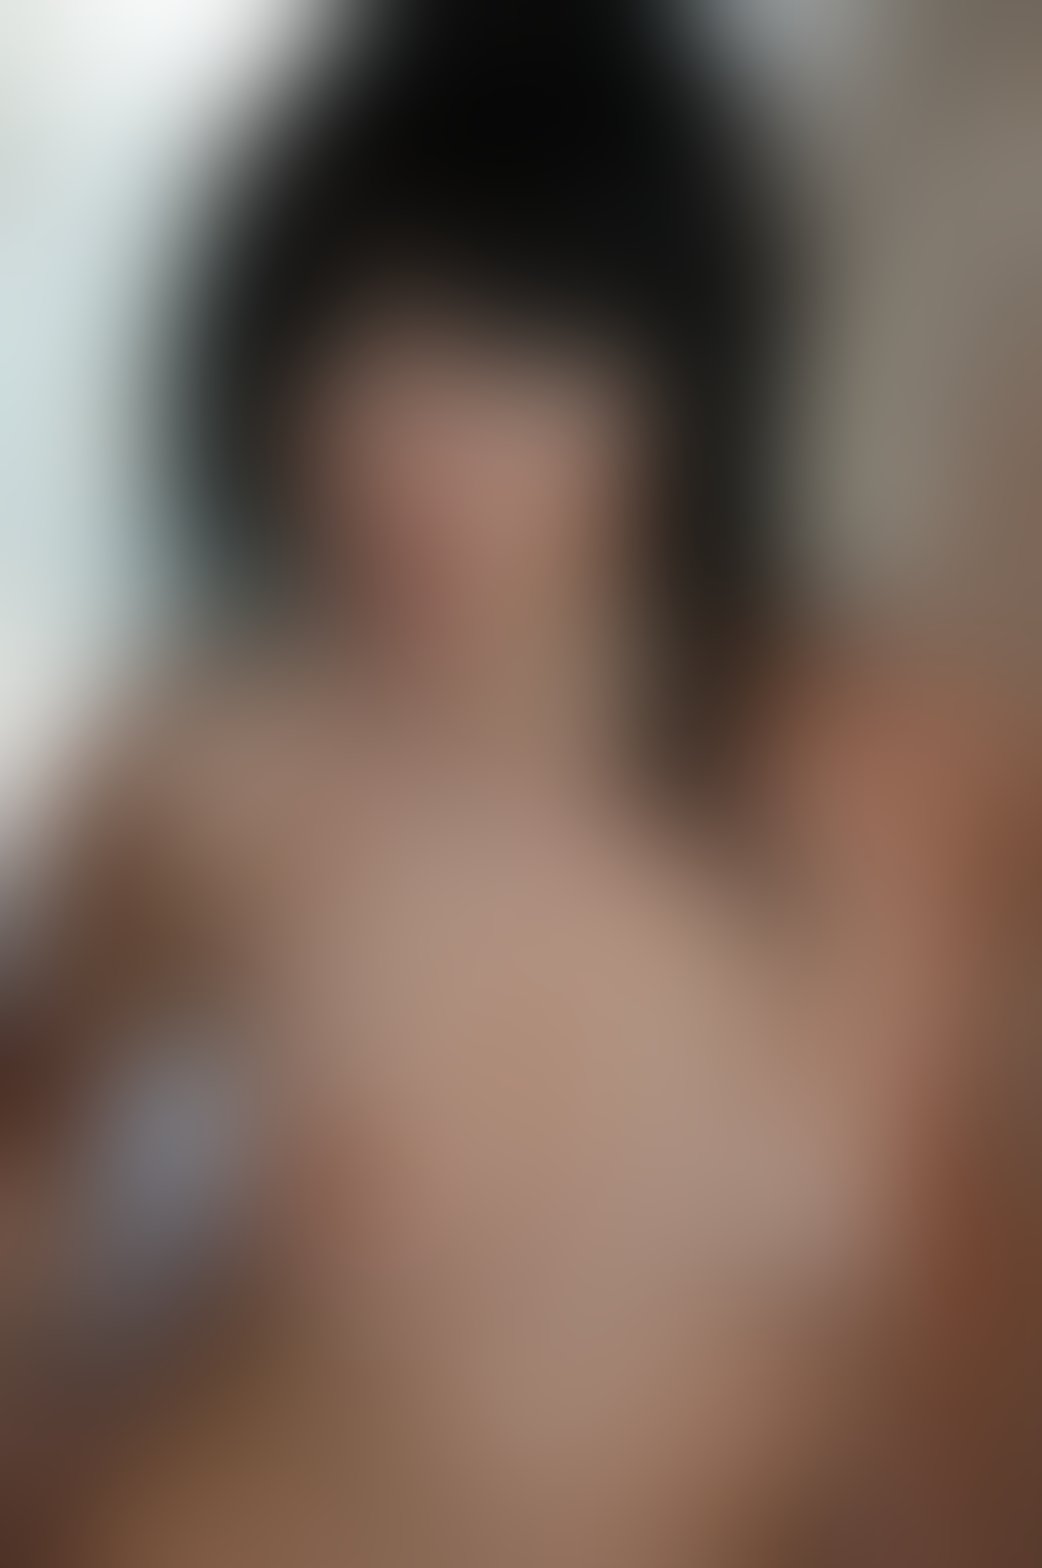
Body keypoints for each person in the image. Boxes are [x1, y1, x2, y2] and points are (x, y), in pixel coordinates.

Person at [4, 3, 1036, 1564]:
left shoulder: (908, 776)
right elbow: (30, 1189)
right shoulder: (202, 777)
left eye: (508, 344)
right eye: (348, 347)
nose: (400, 441)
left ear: (675, 372)